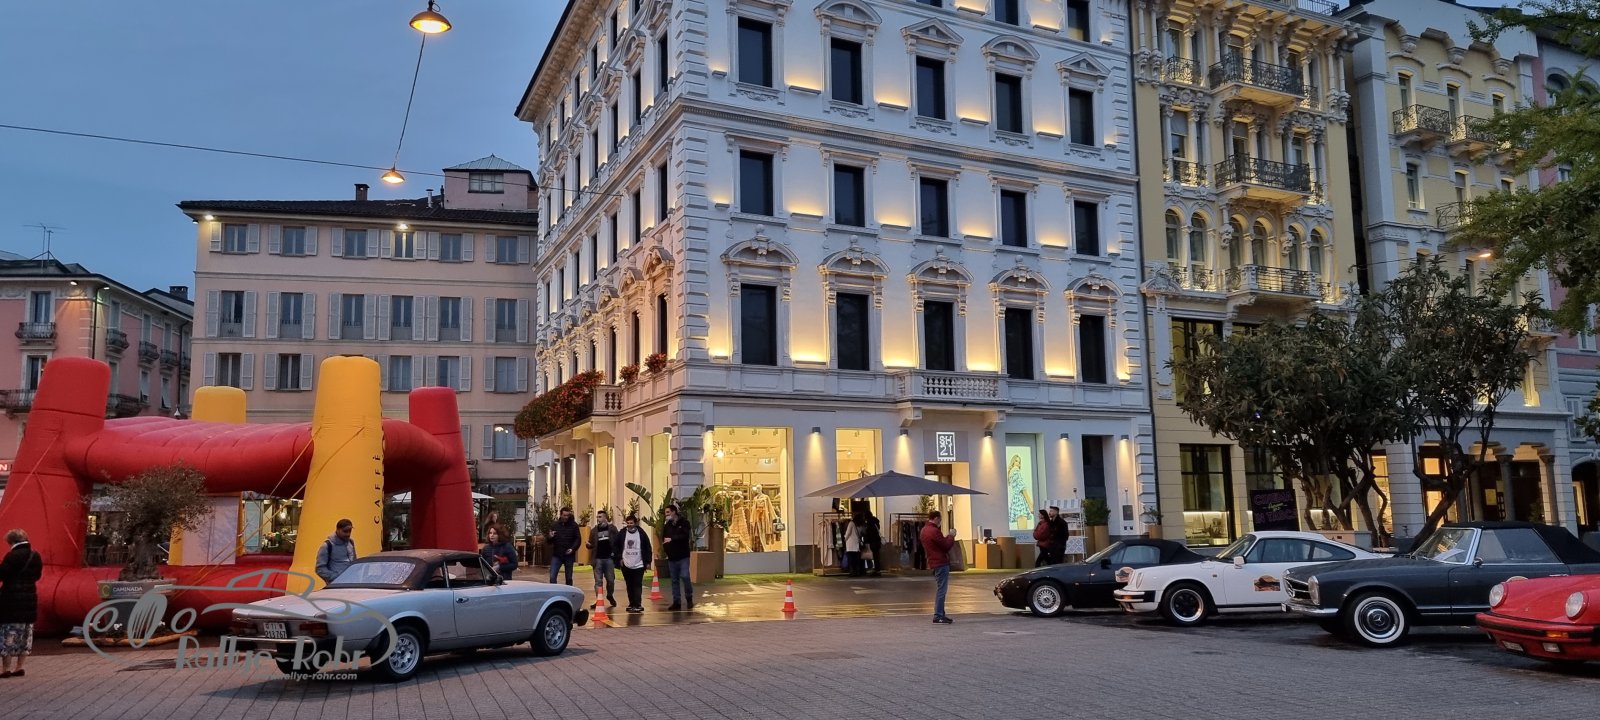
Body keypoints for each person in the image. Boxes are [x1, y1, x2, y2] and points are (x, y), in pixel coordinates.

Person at [0, 529, 43, 678]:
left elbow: (2, 574)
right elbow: (37, 576)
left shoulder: (12, 556)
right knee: (26, 634)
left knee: (8, 634)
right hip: (30, 597)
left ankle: (6, 668)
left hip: (11, 599)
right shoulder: (35, 555)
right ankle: (20, 666)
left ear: (11, 541)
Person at [919, 511, 956, 624]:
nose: (940, 522)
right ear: (936, 518)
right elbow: (945, 545)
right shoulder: (934, 531)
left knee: (940, 588)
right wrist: (951, 536)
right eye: (940, 519)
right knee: (942, 590)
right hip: (940, 562)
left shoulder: (924, 530)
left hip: (933, 561)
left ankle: (941, 614)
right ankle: (938, 615)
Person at [615, 514, 653, 613]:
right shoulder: (622, 533)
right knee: (629, 584)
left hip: (639, 564)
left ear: (635, 523)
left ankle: (638, 604)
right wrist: (619, 558)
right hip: (626, 563)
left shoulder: (641, 533)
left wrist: (648, 561)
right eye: (628, 523)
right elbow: (616, 546)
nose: (629, 525)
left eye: (631, 523)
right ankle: (631, 603)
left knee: (637, 584)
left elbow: (648, 547)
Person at [661, 503, 694, 610]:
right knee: (674, 580)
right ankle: (676, 602)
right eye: (665, 513)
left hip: (683, 556)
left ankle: (689, 597)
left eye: (668, 512)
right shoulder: (667, 526)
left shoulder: (684, 523)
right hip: (672, 557)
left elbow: (685, 536)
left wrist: (672, 539)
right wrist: (667, 551)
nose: (666, 515)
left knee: (685, 576)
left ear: (674, 512)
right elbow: (664, 538)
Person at [586, 510, 619, 608]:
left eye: (600, 517)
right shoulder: (594, 531)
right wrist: (588, 545)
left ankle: (610, 595)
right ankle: (599, 600)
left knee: (611, 580)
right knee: (598, 581)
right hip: (598, 559)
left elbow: (617, 542)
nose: (598, 519)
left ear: (605, 518)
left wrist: (615, 554)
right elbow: (591, 544)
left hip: (609, 559)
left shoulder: (612, 529)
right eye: (597, 517)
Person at [315, 519, 357, 584]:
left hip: (352, 582)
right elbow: (320, 569)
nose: (348, 534)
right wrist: (336, 577)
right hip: (337, 585)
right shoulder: (327, 545)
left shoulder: (351, 542)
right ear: (337, 530)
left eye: (350, 531)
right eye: (345, 531)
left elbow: (354, 561)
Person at [547, 507, 581, 586]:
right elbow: (549, 541)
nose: (566, 517)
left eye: (567, 515)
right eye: (564, 515)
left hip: (569, 555)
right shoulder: (555, 525)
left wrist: (572, 548)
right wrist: (550, 537)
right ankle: (554, 591)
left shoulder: (574, 525)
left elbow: (578, 539)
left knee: (569, 578)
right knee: (552, 577)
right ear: (561, 515)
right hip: (557, 554)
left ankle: (568, 591)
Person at [861, 511, 883, 577]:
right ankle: (877, 570)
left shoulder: (869, 522)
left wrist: (866, 540)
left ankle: (877, 570)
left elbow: (869, 532)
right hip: (877, 541)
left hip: (873, 541)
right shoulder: (876, 521)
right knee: (877, 556)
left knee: (875, 556)